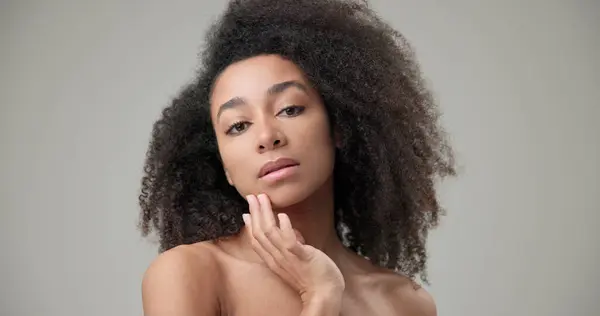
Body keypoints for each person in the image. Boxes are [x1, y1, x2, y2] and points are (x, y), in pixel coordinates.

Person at [138, 0, 455, 315]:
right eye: (238, 126)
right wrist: (320, 297)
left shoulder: (405, 304)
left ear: (339, 127)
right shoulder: (190, 274)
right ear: (223, 166)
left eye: (289, 109)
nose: (267, 137)